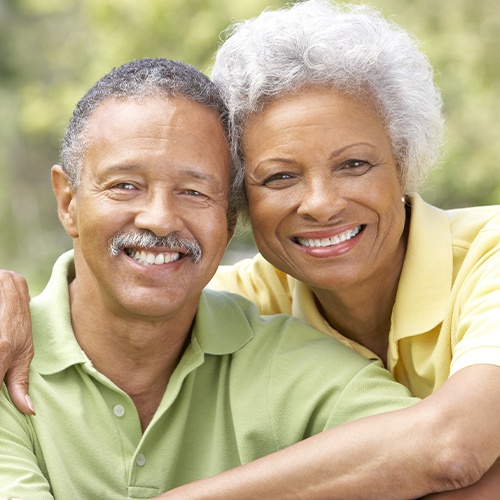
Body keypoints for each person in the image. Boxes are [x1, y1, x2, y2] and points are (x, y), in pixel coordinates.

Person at [1, 1, 500, 499]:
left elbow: (453, 451)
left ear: (404, 163)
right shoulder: (243, 299)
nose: (322, 205)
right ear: (240, 205)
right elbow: (140, 285)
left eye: (354, 164)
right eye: (280, 175)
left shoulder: (488, 254)